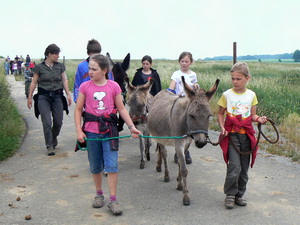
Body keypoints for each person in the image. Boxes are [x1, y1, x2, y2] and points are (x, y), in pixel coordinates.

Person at [74, 53, 140, 216]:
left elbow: (122, 109)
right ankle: (98, 194)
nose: (90, 72)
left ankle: (113, 199)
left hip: (110, 131)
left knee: (112, 165)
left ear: (104, 70)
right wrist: (79, 130)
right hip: (91, 132)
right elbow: (78, 109)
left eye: (93, 69)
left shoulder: (114, 87)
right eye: (89, 68)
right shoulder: (85, 87)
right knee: (95, 166)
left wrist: (131, 127)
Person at [217, 62, 267, 209]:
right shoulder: (226, 95)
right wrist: (222, 128)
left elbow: (252, 115)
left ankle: (240, 194)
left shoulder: (252, 95)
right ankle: (230, 195)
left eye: (238, 79)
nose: (235, 82)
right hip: (232, 136)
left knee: (244, 169)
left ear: (247, 78)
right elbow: (220, 114)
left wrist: (259, 119)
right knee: (234, 167)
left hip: (246, 137)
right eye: (233, 78)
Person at [27, 44, 72, 156]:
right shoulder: (39, 68)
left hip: (57, 96)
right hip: (43, 97)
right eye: (56, 54)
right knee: (46, 122)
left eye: (58, 54)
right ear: (49, 54)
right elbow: (33, 82)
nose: (58, 56)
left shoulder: (60, 66)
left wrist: (68, 94)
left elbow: (64, 80)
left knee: (58, 121)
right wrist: (30, 96)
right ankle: (49, 145)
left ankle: (53, 137)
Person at [168, 51, 198, 164]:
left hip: (190, 102)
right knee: (179, 126)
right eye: (182, 61)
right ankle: (178, 150)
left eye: (186, 61)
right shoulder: (176, 74)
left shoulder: (193, 74)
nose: (184, 63)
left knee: (191, 126)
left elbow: (195, 86)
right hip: (179, 102)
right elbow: (171, 87)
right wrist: (167, 94)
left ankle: (186, 150)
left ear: (190, 62)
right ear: (179, 62)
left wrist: (196, 86)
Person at [73, 39, 114, 103]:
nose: (95, 56)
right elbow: (77, 84)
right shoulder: (81, 66)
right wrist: (77, 100)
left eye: (97, 53)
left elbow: (111, 82)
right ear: (88, 53)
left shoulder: (105, 65)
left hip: (102, 98)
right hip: (85, 99)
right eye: (93, 54)